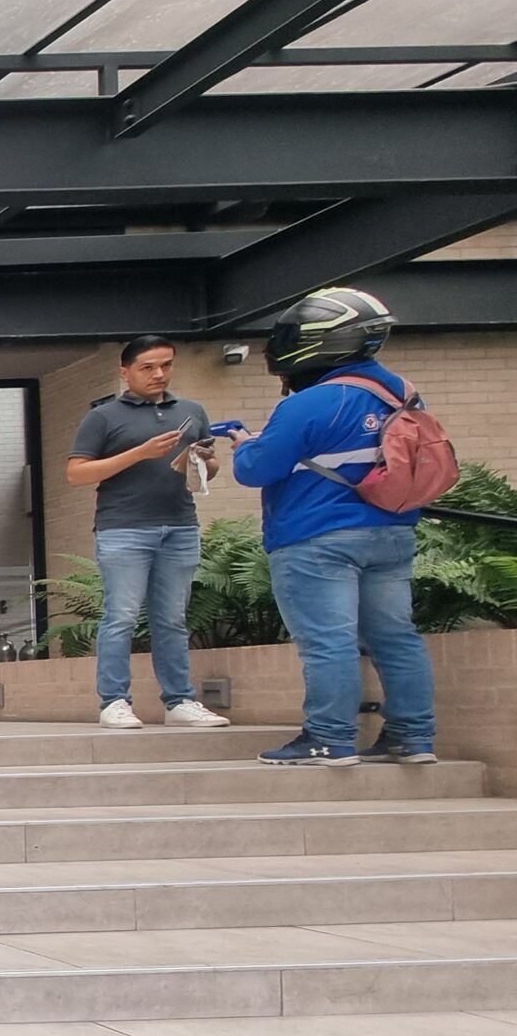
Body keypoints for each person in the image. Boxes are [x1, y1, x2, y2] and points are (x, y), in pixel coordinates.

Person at [224, 286, 436, 767]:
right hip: (392, 531)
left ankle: (328, 739)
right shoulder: (402, 393)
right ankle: (412, 737)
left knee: (328, 641)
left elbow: (256, 470)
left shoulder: (311, 402)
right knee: (396, 637)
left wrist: (245, 445)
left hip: (317, 536)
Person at [66, 335, 230, 729]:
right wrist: (141, 452)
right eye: (148, 367)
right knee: (121, 616)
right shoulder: (103, 416)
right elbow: (76, 473)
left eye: (166, 365)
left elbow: (209, 472)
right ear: (125, 372)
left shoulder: (192, 411)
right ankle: (114, 701)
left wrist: (203, 460)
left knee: (172, 618)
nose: (159, 374)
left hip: (180, 525)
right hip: (123, 527)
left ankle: (179, 701)